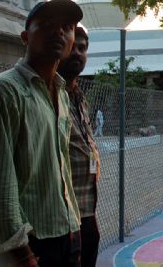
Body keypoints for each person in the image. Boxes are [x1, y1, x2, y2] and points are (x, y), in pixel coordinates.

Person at [0, 0, 83, 266]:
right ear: (25, 36)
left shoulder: (60, 92)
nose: (58, 32)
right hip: (28, 244)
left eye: (66, 27)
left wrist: (74, 231)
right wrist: (21, 253)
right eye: (46, 25)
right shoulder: (3, 93)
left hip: (64, 233)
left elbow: (60, 169)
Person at [57, 26, 100, 267]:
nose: (77, 53)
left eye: (82, 48)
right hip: (60, 218)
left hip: (86, 210)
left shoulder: (78, 96)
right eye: (72, 47)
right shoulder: (49, 93)